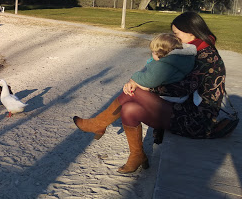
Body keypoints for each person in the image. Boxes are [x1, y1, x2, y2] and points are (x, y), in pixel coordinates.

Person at [73, 11, 228, 174]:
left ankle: (98, 124)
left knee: (135, 91)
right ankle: (137, 155)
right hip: (183, 109)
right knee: (128, 109)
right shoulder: (193, 49)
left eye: (176, 33)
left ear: (190, 31)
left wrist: (147, 87)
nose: (174, 37)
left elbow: (183, 88)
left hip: (197, 119)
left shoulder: (206, 55)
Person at [123, 33, 197, 103]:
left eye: (153, 52)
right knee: (131, 88)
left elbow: (149, 80)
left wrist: (134, 78)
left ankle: (113, 112)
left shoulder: (165, 64)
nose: (152, 54)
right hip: (177, 93)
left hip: (170, 96)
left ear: (159, 53)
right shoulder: (180, 58)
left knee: (130, 91)